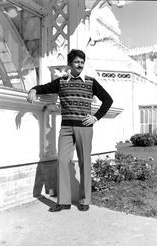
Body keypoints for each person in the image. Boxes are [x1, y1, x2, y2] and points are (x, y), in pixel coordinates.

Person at [27, 49, 113, 212]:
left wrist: (95, 117)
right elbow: (44, 88)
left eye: (82, 62)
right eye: (76, 62)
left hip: (85, 128)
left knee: (84, 162)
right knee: (62, 161)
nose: (80, 65)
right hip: (66, 128)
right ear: (69, 64)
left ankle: (85, 200)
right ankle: (64, 201)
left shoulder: (91, 82)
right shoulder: (61, 82)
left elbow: (108, 100)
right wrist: (33, 89)